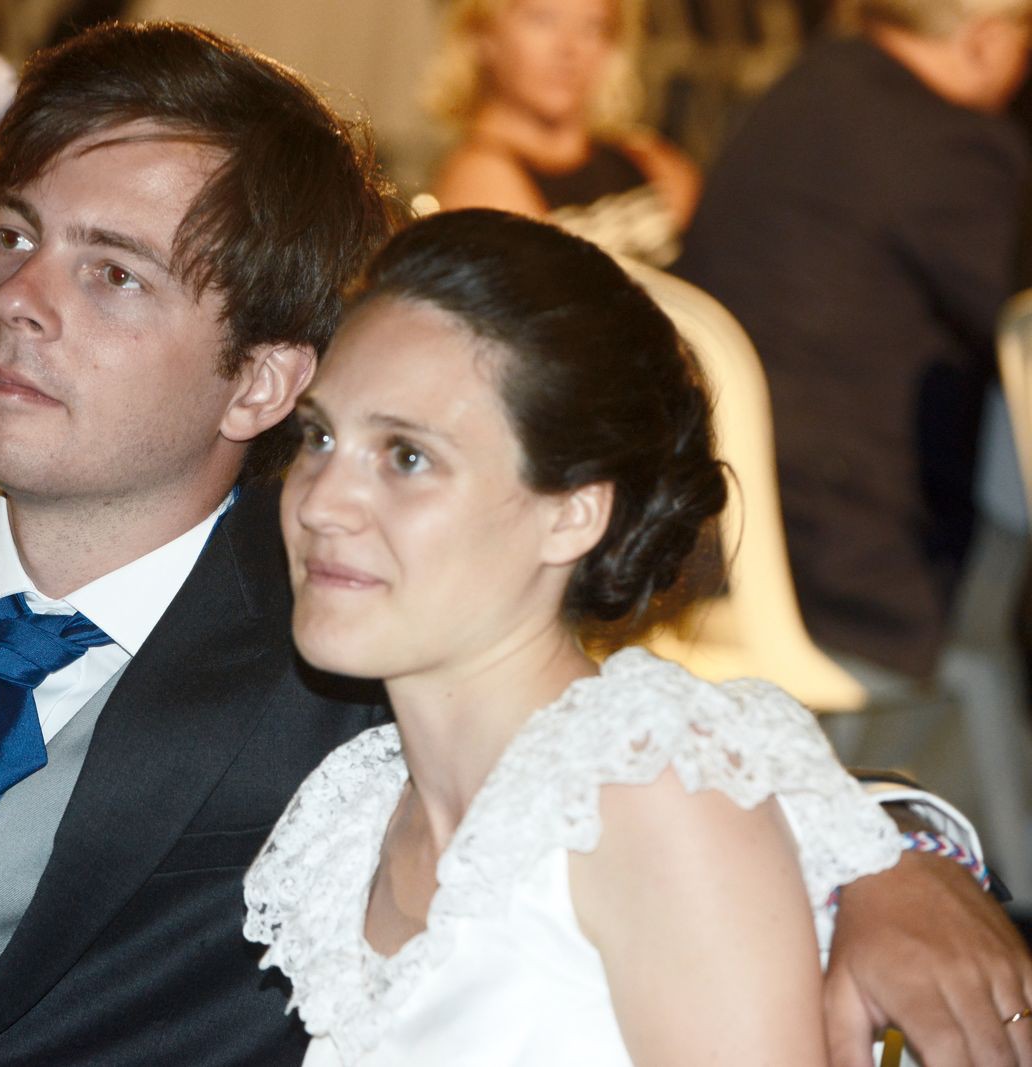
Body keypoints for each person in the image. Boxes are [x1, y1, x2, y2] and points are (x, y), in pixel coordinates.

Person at [0, 20, 1031, 1067]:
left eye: (112, 273)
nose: (19, 298)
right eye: (15, 236)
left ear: (260, 381)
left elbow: (623, 764)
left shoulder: (341, 635)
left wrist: (902, 857)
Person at [243, 208, 1022, 1066]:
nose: (320, 501)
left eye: (407, 456)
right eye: (320, 436)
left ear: (573, 513)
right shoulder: (357, 817)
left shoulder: (647, 795)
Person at [676, 0, 1031, 687]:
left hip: (722, 525)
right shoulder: (947, 142)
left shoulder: (807, 88)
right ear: (986, 41)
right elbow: (1018, 314)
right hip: (845, 567)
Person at [427, 0, 699, 266]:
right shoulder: (481, 180)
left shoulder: (646, 157)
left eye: (593, 25)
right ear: (482, 34)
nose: (568, 48)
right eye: (543, 19)